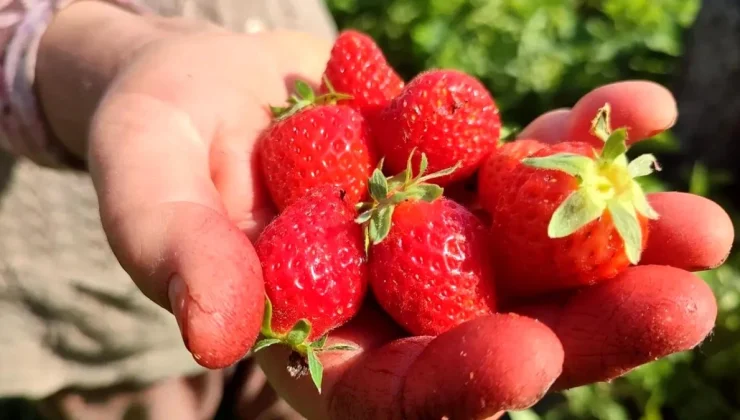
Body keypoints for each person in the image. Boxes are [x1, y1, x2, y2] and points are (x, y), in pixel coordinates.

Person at [0, 1, 726, 419]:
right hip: (74, 271)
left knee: (304, 378)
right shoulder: (334, 184)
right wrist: (83, 53)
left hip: (262, 38)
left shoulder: (391, 173)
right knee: (143, 386)